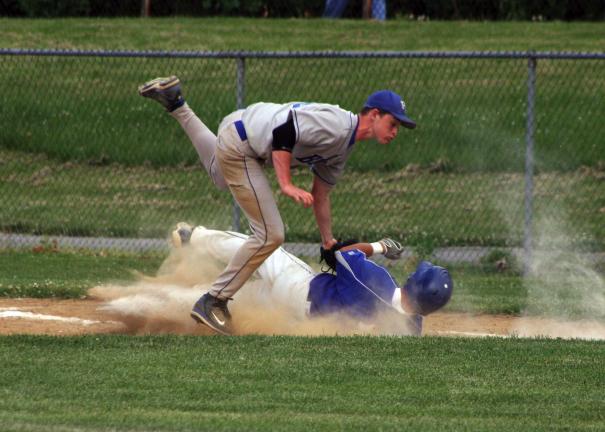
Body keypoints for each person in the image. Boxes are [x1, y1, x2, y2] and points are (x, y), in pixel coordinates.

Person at [139, 76, 416, 335]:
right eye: (393, 123)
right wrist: (285, 184)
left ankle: (176, 103)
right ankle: (213, 301)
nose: (395, 132)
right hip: (244, 145)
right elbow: (284, 132)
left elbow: (321, 194)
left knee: (218, 172)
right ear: (375, 114)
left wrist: (328, 240)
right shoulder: (338, 125)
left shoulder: (343, 147)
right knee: (271, 234)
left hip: (242, 132)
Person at [171, 223, 452, 336]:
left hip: (297, 288)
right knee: (243, 299)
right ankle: (178, 301)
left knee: (262, 246)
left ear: (414, 283)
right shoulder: (409, 327)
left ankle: (193, 236)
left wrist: (379, 246)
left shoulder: (376, 281)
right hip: (299, 316)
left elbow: (342, 255)